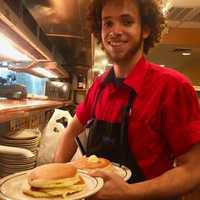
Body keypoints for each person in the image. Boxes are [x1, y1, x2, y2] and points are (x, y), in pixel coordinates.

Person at [54, 0, 200, 199]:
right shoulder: (98, 86)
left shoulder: (173, 87)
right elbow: (71, 132)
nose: (115, 31)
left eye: (127, 21)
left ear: (146, 29)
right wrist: (56, 179)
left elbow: (193, 169)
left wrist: (130, 192)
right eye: (108, 23)